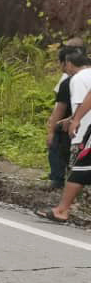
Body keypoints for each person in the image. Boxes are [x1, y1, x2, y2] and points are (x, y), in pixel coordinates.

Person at [39, 49, 91, 222]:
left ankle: (62, 210)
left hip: (85, 132)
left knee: (79, 169)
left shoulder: (76, 79)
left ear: (68, 64)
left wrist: (75, 120)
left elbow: (86, 99)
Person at [46, 45, 83, 189]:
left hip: (70, 124)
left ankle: (57, 180)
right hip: (79, 123)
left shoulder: (68, 82)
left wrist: (51, 131)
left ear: (66, 63)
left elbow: (59, 109)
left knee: (56, 144)